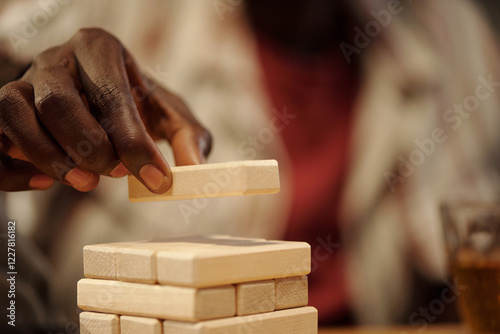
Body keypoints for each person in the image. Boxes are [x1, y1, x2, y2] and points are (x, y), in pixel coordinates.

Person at [1, 0, 500, 331]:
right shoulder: (117, 9)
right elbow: (15, 83)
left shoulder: (451, 30)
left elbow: (463, 261)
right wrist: (18, 94)